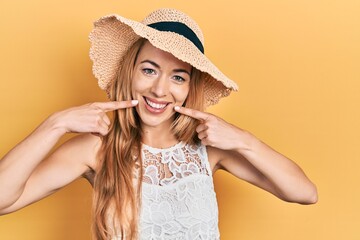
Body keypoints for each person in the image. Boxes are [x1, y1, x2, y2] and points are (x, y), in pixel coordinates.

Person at [0, 8, 317, 240]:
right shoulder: (95, 149)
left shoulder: (210, 149)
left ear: (189, 88)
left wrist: (245, 140)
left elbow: (304, 193)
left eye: (178, 77)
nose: (160, 90)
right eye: (149, 70)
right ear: (130, 73)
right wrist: (54, 125)